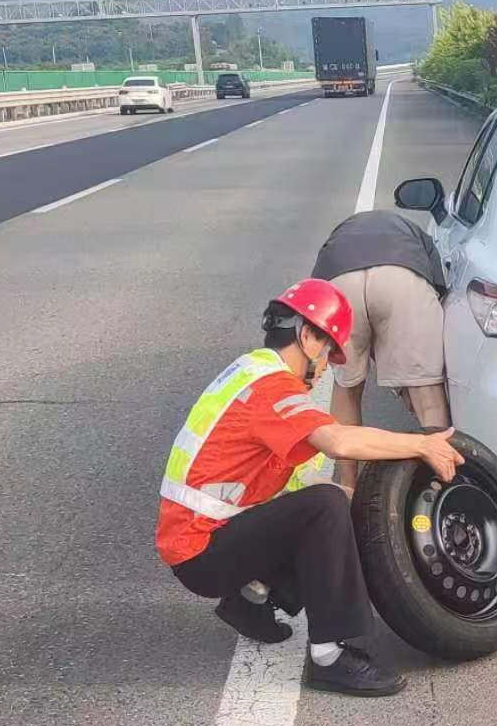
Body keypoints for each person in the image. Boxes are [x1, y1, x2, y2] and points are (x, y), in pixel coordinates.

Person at [157, 278, 463, 697]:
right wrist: (421, 444)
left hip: (202, 537)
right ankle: (330, 657)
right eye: (327, 354)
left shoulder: (249, 371)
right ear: (307, 337)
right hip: (202, 551)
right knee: (325, 504)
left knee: (329, 508)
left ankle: (250, 602)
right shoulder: (271, 386)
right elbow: (338, 442)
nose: (323, 371)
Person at [309, 209, 451, 490]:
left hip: (340, 281)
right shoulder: (418, 237)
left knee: (347, 385)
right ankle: (437, 485)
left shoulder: (337, 238)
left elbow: (315, 289)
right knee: (426, 392)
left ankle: (349, 485)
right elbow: (439, 291)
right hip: (403, 276)